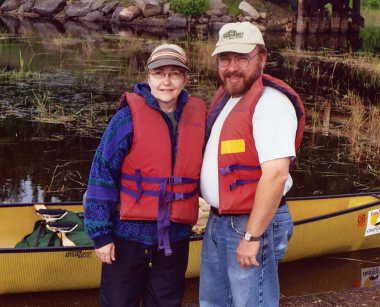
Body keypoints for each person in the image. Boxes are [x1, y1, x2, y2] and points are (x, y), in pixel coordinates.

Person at [84, 43, 206, 307]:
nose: (166, 81)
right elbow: (100, 175)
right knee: (119, 302)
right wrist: (101, 234)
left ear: (185, 78)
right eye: (159, 73)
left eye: (174, 73)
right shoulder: (126, 119)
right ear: (148, 76)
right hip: (127, 236)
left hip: (174, 237)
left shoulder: (198, 118)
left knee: (165, 302)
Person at [199, 22, 305, 307]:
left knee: (251, 302)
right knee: (214, 300)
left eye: (241, 58)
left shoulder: (270, 104)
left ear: (262, 58)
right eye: (225, 59)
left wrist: (252, 236)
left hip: (249, 223)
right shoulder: (229, 99)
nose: (232, 68)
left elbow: (275, 175)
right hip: (220, 220)